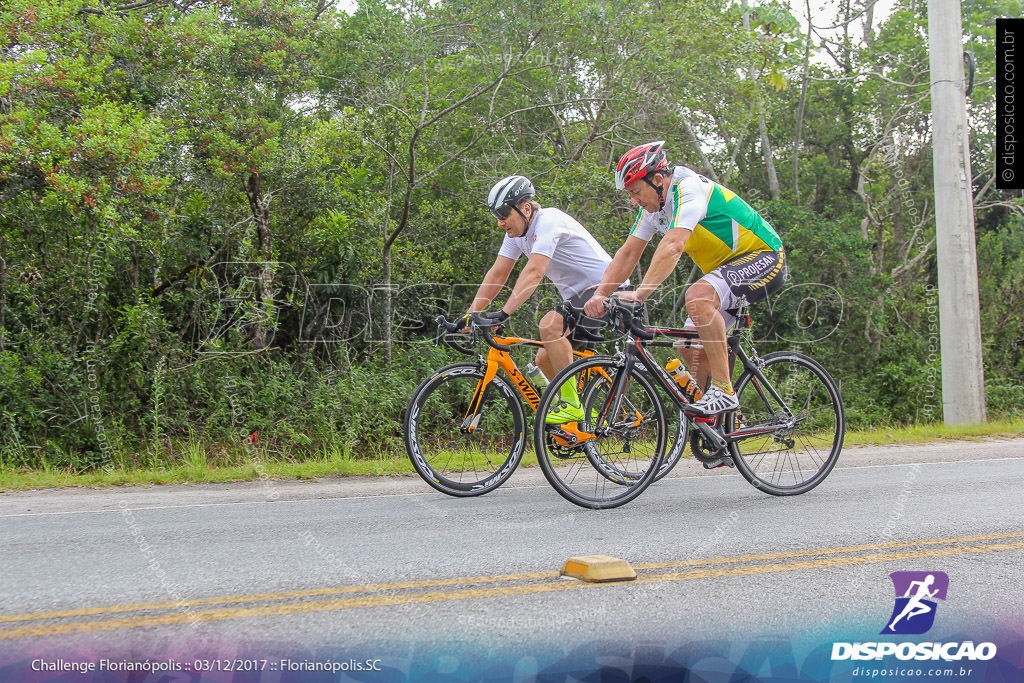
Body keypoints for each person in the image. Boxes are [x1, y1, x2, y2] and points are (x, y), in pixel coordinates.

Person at [584, 141, 787, 417]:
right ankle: (723, 425)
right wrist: (600, 294)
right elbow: (629, 253)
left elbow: (673, 246)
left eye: (635, 192)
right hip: (726, 270)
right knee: (688, 346)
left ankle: (724, 391)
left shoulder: (688, 189)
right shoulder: (653, 208)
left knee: (698, 296)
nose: (634, 200)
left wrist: (640, 294)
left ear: (657, 180)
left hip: (764, 255)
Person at [464, 174, 623, 424]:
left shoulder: (549, 221)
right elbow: (498, 273)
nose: (500, 222)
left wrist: (504, 313)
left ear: (526, 208)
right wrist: (471, 314)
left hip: (606, 289)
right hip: (579, 297)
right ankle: (583, 422)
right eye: (497, 216)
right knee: (543, 359)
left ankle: (571, 405)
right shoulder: (516, 235)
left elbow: (535, 272)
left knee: (549, 325)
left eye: (504, 214)